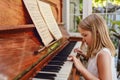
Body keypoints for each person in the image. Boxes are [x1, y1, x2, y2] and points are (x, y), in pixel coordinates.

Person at [69, 13, 117, 80]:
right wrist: (85, 56)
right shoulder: (98, 51)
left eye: (85, 35)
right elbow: (95, 64)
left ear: (96, 33)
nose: (83, 39)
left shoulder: (103, 54)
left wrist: (81, 68)